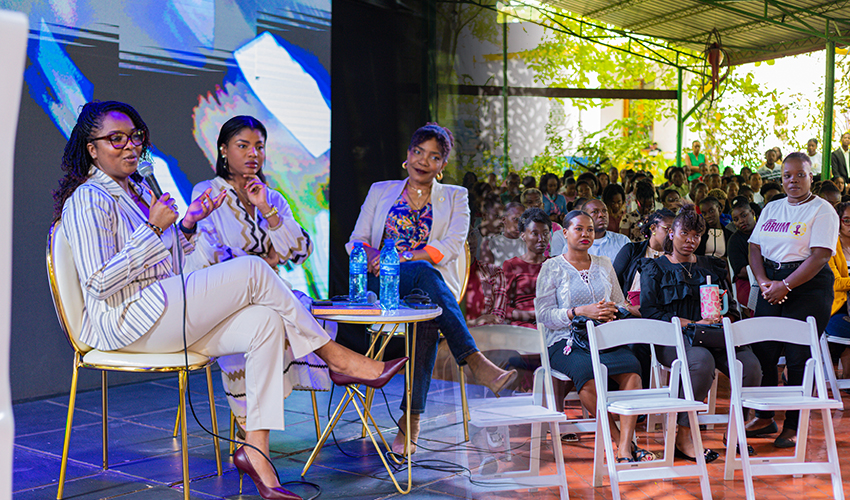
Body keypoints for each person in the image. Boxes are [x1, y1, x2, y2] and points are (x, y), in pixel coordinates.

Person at [56, 101, 401, 500]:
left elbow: (168, 262)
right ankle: (338, 357)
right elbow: (100, 282)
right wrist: (153, 227)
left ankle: (257, 453)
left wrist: (183, 226)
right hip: (127, 320)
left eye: (135, 137)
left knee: (265, 322)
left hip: (162, 310)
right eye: (116, 139)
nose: (131, 146)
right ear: (92, 148)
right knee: (256, 272)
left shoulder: (136, 191)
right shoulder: (88, 199)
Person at [347, 123, 517, 455]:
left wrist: (400, 256)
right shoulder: (380, 190)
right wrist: (375, 256)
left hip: (429, 286)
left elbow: (451, 246)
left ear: (442, 165)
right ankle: (475, 361)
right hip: (382, 283)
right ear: (408, 155)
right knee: (426, 285)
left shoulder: (456, 196)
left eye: (434, 156)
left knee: (426, 307)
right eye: (418, 152)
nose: (424, 161)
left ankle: (410, 420)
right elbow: (356, 240)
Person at [185, 115, 330, 430]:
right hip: (222, 296)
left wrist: (267, 211)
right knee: (272, 315)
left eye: (259, 147)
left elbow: (301, 250)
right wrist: (264, 261)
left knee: (307, 307)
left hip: (267, 295)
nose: (254, 154)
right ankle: (249, 418)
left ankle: (255, 420)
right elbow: (211, 255)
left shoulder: (271, 197)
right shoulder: (208, 191)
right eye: (243, 145)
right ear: (224, 150)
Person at [640, 205, 760, 463]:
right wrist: (692, 322)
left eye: (696, 235)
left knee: (750, 366)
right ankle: (684, 436)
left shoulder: (713, 267)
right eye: (685, 233)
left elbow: (730, 307)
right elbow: (650, 312)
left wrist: (722, 317)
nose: (690, 240)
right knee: (701, 361)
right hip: (672, 336)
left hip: (713, 334)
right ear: (671, 233)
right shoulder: (654, 268)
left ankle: (735, 430)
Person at [535, 210, 649, 463]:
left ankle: (624, 445)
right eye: (579, 229)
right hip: (566, 342)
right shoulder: (552, 267)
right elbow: (543, 315)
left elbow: (620, 302)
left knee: (632, 369)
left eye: (590, 230)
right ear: (565, 233)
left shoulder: (604, 264)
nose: (586, 234)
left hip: (603, 337)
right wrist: (577, 311)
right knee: (588, 374)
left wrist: (612, 308)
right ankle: (623, 442)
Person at [746, 152, 838, 449]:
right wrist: (765, 283)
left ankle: (794, 424)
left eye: (800, 174)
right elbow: (755, 248)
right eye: (787, 175)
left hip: (808, 286)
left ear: (812, 177)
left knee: (799, 357)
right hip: (770, 283)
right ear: (781, 178)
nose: (793, 180)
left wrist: (786, 285)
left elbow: (820, 255)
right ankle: (764, 416)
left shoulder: (823, 210)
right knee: (764, 352)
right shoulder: (772, 207)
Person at [497, 208, 550, 327]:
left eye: (545, 233)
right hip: (524, 326)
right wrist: (530, 314)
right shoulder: (512, 265)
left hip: (553, 324)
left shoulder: (555, 264)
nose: (541, 239)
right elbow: (502, 307)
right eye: (535, 234)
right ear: (523, 236)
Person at [613, 209, 674, 304]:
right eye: (667, 229)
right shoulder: (631, 250)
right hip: (629, 311)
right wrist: (627, 306)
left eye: (675, 231)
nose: (671, 235)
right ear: (653, 228)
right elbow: (612, 283)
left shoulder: (675, 256)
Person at [826, 201, 850, 374]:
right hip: (837, 308)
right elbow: (836, 283)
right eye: (847, 220)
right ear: (838, 222)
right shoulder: (830, 247)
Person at [564, 198, 629, 262]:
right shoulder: (572, 246)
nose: (602, 215)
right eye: (595, 212)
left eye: (604, 211)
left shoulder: (622, 241)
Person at [727, 197, 758, 315]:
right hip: (746, 281)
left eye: (744, 215)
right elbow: (740, 271)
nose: (741, 221)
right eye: (736, 219)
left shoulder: (765, 231)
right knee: (760, 299)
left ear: (752, 213)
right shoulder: (734, 240)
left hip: (770, 277)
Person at [480, 201, 526, 267]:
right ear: (504, 219)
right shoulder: (491, 243)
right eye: (515, 219)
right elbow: (487, 274)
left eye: (523, 220)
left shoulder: (527, 243)